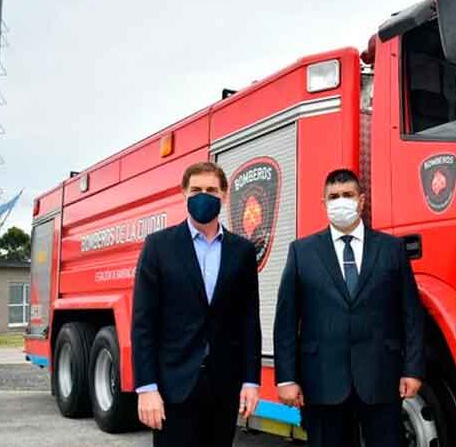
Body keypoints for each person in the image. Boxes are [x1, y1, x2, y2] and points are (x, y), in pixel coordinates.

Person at [273, 168, 425, 447]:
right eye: (334, 196)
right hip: (321, 381)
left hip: (382, 378)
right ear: (323, 203)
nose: (340, 201)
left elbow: (411, 314)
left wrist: (413, 369)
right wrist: (286, 378)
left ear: (361, 200)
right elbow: (286, 320)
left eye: (348, 195)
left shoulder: (391, 249)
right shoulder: (301, 252)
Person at [132, 162, 262, 447]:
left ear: (225, 195)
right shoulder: (158, 246)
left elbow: (249, 320)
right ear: (184, 194)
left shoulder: (242, 251)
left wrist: (251, 381)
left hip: (223, 388)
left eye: (212, 190)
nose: (204, 196)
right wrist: (147, 388)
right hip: (173, 387)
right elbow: (143, 323)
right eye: (197, 190)